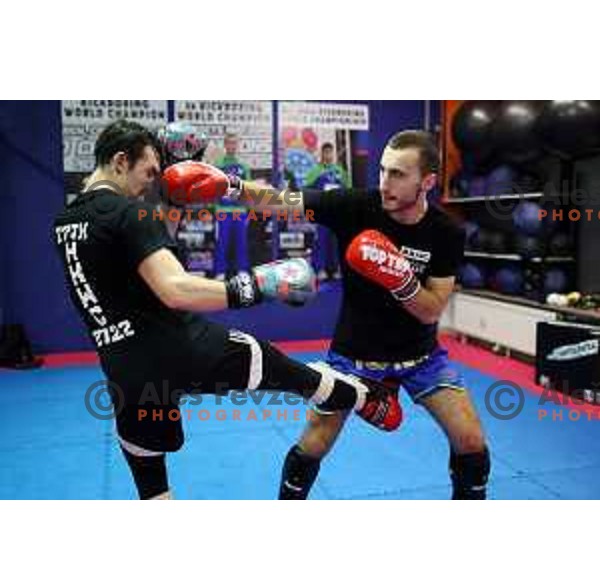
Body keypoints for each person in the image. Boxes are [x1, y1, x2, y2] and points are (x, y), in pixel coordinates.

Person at [52, 119, 401, 500]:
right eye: (149, 172)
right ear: (120, 161)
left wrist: (173, 200)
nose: (149, 182)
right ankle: (366, 396)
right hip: (178, 347)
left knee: (147, 465)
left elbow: (142, 255)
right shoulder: (127, 213)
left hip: (123, 368)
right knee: (268, 362)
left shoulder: (67, 221)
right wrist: (260, 285)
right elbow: (175, 289)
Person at [227, 129, 491, 500]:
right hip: (353, 358)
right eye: (383, 171)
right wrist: (229, 185)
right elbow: (281, 201)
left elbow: (431, 310)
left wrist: (398, 276)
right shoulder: (354, 206)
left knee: (471, 441)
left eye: (398, 174)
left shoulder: (445, 232)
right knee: (314, 443)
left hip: (421, 358)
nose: (385, 183)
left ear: (427, 181)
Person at [304, 142, 350, 281]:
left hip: (336, 213)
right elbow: (307, 190)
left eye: (331, 152)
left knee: (336, 242)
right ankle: (320, 270)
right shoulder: (314, 171)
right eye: (326, 152)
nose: (329, 155)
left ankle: (337, 269)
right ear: (322, 154)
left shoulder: (340, 171)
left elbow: (347, 191)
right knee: (321, 242)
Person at [212, 132, 253, 279]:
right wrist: (216, 210)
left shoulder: (244, 166)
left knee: (241, 243)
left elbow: (248, 191)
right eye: (229, 143)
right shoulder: (218, 165)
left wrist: (247, 212)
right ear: (225, 145)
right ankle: (220, 272)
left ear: (237, 145)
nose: (232, 146)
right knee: (221, 243)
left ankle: (242, 270)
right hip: (223, 211)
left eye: (234, 143)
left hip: (240, 211)